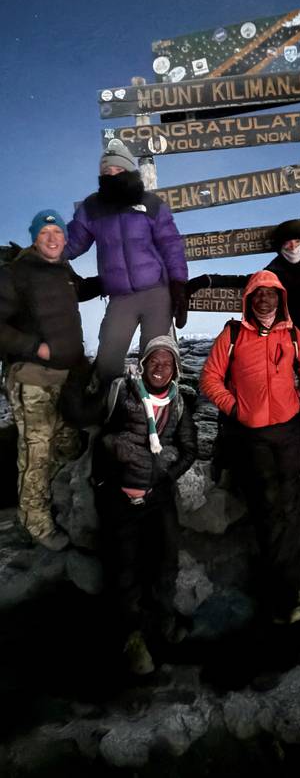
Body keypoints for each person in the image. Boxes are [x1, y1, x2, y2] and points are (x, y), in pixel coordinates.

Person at [200, 270, 300, 624]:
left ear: (280, 299)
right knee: (268, 506)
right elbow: (209, 377)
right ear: (249, 300)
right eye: (258, 294)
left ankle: (286, 587)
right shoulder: (233, 334)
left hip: (288, 431)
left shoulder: (292, 334)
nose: (265, 299)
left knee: (288, 503)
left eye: (271, 294)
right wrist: (236, 407)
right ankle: (289, 589)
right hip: (252, 435)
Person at [95, 336, 197, 675]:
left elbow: (188, 449)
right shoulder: (122, 393)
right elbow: (103, 438)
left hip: (158, 496)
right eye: (154, 359)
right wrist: (113, 462)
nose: (160, 367)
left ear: (175, 369)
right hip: (120, 498)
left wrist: (164, 474)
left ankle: (162, 627)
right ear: (143, 362)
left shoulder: (178, 402)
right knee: (125, 569)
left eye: (167, 362)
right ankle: (133, 638)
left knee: (165, 563)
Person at [0, 211, 101, 550]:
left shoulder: (63, 271)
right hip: (32, 379)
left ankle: (54, 509)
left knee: (66, 447)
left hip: (68, 377)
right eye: (45, 232)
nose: (53, 238)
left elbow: (82, 290)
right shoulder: (15, 274)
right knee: (36, 454)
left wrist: (114, 279)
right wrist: (34, 347)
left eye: (58, 231)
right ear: (33, 237)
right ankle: (36, 525)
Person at [64, 139, 188, 384]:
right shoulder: (92, 207)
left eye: (118, 170)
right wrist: (40, 253)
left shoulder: (151, 203)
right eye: (106, 172)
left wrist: (179, 285)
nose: (112, 175)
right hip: (121, 297)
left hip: (157, 294)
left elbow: (171, 245)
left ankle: (153, 415)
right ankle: (111, 412)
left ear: (129, 171)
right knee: (108, 361)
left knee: (155, 358)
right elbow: (72, 243)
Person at [186, 218, 300, 369]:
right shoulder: (275, 272)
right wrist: (207, 280)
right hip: (289, 336)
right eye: (287, 243)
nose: (293, 247)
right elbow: (243, 280)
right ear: (280, 247)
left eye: (297, 241)